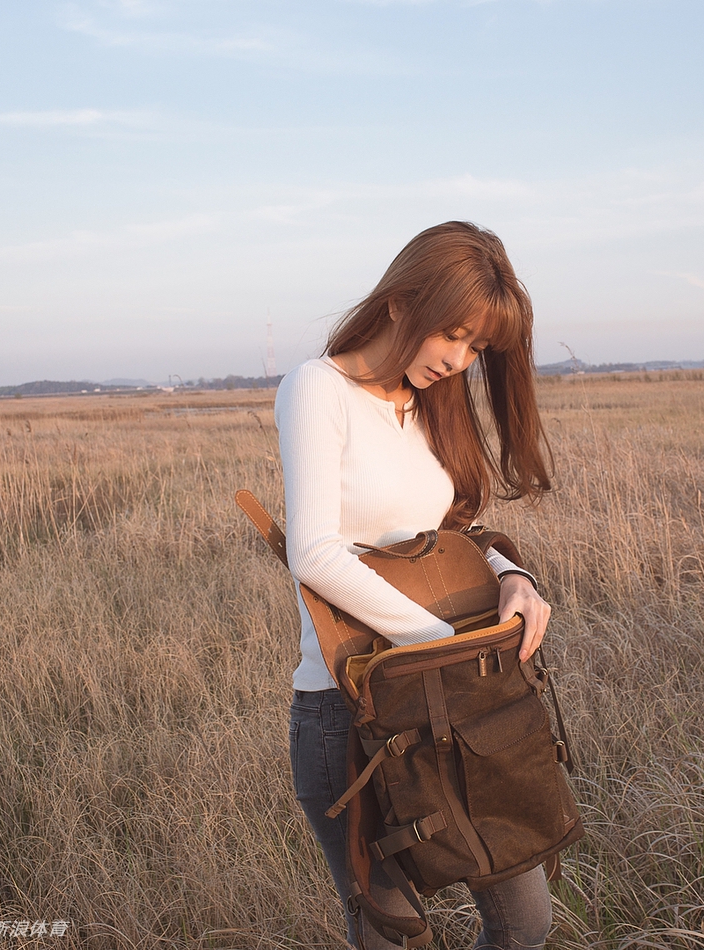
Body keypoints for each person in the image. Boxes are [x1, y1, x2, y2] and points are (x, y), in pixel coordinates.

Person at [274, 221, 555, 949]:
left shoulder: (433, 402)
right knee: (396, 938)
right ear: (401, 302)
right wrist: (440, 648)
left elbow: (449, 537)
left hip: (451, 699)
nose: (459, 361)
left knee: (526, 920)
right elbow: (313, 552)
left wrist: (511, 573)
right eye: (453, 335)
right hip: (351, 712)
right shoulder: (318, 388)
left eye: (477, 348)